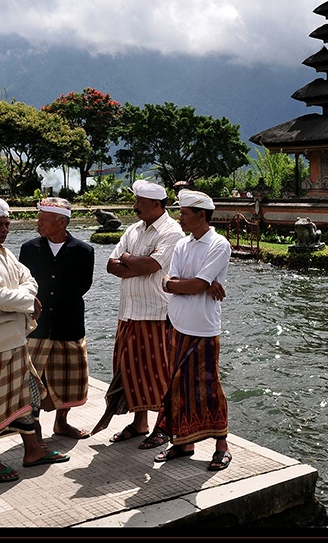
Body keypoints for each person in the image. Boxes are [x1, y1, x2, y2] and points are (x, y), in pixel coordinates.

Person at [0, 196, 69, 482]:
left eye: (7, 224)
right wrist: (29, 302)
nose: (4, 229)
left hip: (15, 339)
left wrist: (23, 297)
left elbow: (28, 280)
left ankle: (32, 449)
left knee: (28, 396)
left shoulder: (2, 253)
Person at [142, 189, 233, 471]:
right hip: (178, 322)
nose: (179, 218)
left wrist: (190, 284)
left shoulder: (219, 244)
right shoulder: (183, 244)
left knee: (209, 387)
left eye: (183, 213)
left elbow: (194, 285)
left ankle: (222, 445)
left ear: (201, 215)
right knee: (177, 385)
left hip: (204, 328)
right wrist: (189, 284)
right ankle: (183, 442)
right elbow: (171, 280)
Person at [91, 180, 184, 447]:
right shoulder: (133, 230)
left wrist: (131, 260)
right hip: (129, 311)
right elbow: (111, 265)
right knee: (129, 369)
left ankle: (164, 427)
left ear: (156, 204)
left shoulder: (171, 231)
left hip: (156, 313)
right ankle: (139, 422)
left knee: (158, 371)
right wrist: (137, 263)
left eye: (140, 203)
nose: (135, 207)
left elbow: (152, 265)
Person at [18, 197, 95, 442]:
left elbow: (83, 286)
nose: (38, 224)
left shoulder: (83, 251)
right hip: (37, 326)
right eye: (38, 219)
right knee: (32, 379)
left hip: (68, 323)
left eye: (43, 220)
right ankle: (35, 429)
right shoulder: (29, 248)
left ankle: (61, 423)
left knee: (70, 377)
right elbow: (22, 283)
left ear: (61, 222)